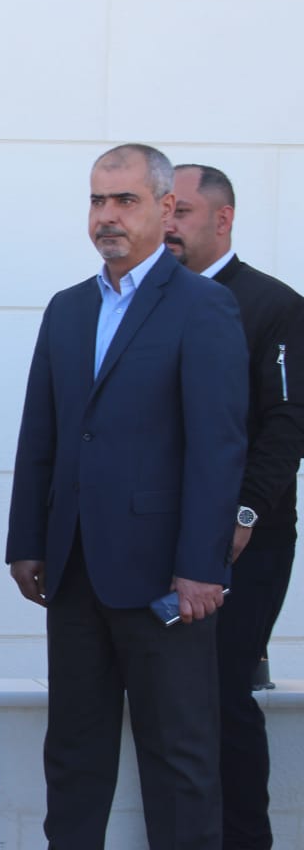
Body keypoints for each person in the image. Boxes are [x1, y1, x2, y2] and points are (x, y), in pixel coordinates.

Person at [6, 144, 248, 848]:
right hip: (74, 570)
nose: (107, 216)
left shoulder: (204, 306)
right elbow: (42, 432)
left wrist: (201, 565)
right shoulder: (68, 309)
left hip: (165, 579)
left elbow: (218, 446)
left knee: (178, 757)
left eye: (125, 200)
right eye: (97, 201)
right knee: (73, 752)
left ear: (166, 208)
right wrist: (27, 541)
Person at [164, 163, 304, 849]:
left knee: (221, 692)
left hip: (249, 543)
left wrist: (245, 512)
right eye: (164, 208)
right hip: (164, 537)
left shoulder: (273, 305)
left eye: (182, 211)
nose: (167, 223)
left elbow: (287, 423)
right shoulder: (147, 302)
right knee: (173, 701)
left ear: (223, 220)